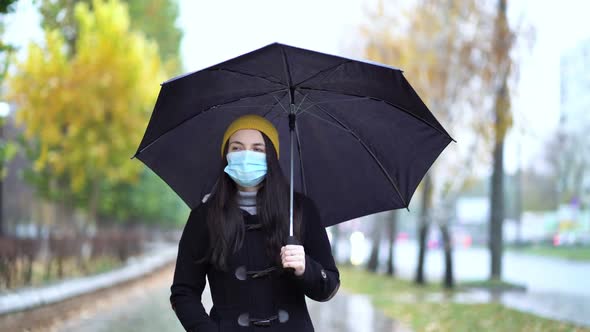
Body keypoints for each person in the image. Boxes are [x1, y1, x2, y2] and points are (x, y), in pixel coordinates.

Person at [170, 114, 340, 331]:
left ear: (271, 156)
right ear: (226, 155)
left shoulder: (301, 210)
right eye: (237, 148)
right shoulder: (204, 217)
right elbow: (184, 292)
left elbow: (329, 286)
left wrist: (306, 268)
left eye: (258, 149)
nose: (246, 155)